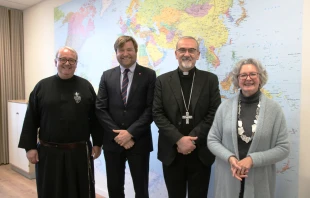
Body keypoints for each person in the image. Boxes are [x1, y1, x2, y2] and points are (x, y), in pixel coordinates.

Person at [18, 46, 103, 198]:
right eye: (63, 59)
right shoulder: (42, 87)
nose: (67, 63)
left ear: (76, 64)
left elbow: (95, 118)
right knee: (51, 191)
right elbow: (31, 118)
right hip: (49, 152)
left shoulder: (86, 87)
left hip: (79, 152)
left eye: (72, 60)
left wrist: (97, 143)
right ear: (55, 61)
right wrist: (30, 147)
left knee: (80, 191)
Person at [207, 58, 290, 198]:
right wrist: (230, 158)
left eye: (253, 74)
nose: (248, 78)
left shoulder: (274, 110)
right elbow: (212, 140)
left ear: (260, 77)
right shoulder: (224, 107)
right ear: (237, 79)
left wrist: (252, 160)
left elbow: (283, 148)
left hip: (260, 181)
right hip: (229, 178)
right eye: (243, 75)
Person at [152, 36, 221, 198]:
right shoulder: (162, 81)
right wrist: (179, 139)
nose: (187, 54)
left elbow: (214, 112)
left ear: (198, 54)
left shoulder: (210, 80)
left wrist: (190, 139)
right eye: (182, 50)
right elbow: (157, 113)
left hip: (200, 152)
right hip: (171, 152)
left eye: (192, 50)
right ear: (176, 54)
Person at [96, 35, 156, 198]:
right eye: (121, 50)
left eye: (129, 49)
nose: (125, 53)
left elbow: (151, 109)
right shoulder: (106, 76)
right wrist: (119, 135)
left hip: (139, 141)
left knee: (141, 189)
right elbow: (100, 108)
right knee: (114, 188)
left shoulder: (149, 75)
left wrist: (130, 133)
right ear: (116, 53)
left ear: (135, 51)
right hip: (112, 141)